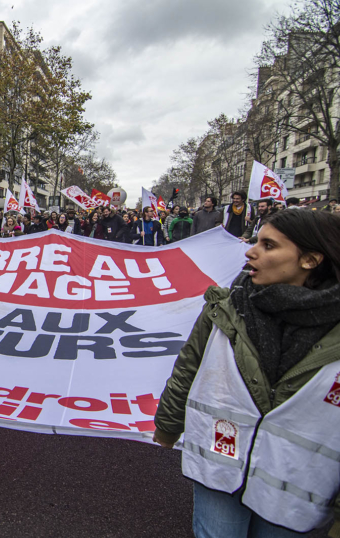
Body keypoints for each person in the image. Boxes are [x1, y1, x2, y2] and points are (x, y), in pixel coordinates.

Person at [153, 209, 340, 538]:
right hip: (220, 460)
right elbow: (188, 367)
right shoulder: (225, 305)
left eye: (268, 245)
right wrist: (168, 427)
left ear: (310, 260)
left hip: (295, 481)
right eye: (255, 240)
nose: (250, 250)